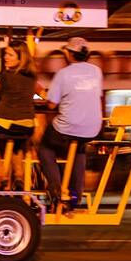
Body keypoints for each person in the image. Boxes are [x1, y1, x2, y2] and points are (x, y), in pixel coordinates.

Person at [38, 37, 103, 211]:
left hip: (68, 127)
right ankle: (76, 195)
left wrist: (42, 93)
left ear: (69, 53)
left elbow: (51, 104)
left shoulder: (64, 74)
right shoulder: (97, 71)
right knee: (79, 148)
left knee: (45, 148)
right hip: (92, 128)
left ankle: (57, 190)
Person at [0, 40, 44, 191]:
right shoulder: (32, 77)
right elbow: (41, 93)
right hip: (27, 125)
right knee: (16, 144)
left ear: (20, 58)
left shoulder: (7, 76)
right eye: (5, 54)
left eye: (10, 55)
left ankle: (1, 173)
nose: (6, 57)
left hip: (6, 121)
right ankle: (18, 175)